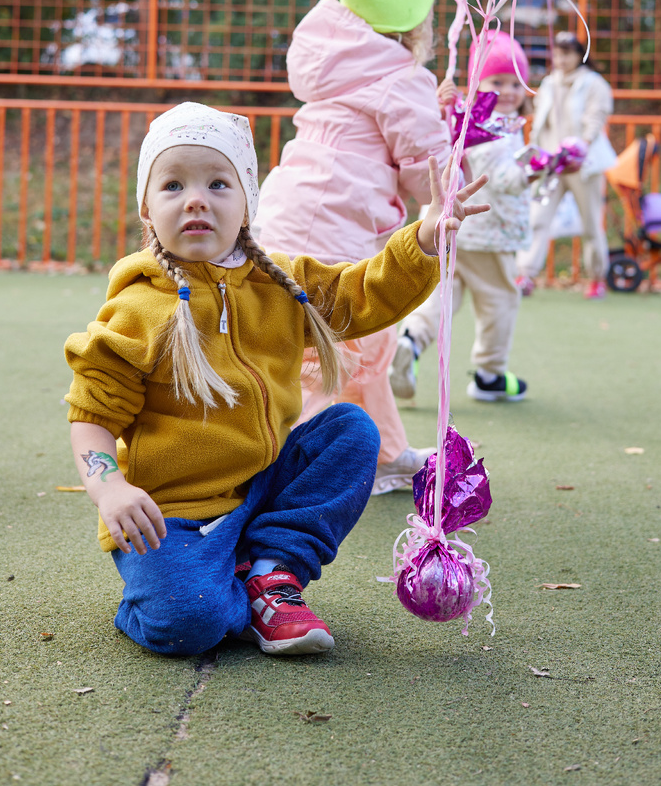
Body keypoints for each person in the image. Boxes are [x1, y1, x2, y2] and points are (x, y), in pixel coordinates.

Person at [65, 102, 487, 659]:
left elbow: (362, 294)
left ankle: (269, 570)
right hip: (174, 513)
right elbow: (93, 416)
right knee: (190, 625)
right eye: (173, 185)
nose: (196, 198)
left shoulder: (282, 284)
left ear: (247, 205)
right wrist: (109, 487)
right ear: (148, 209)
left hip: (264, 485)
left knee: (351, 431)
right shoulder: (137, 311)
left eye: (218, 183)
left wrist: (424, 241)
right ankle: (201, 596)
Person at [254, 0, 453, 495]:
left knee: (334, 339)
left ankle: (384, 451)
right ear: (410, 27)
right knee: (342, 343)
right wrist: (451, 150)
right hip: (340, 226)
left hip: (292, 212)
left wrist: (430, 106)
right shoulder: (400, 78)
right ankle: (298, 467)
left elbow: (382, 122)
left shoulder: (340, 63)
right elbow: (427, 174)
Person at [389, 30, 533, 403]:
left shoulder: (464, 120)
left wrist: (444, 109)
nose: (509, 91)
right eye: (497, 82)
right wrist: (535, 169)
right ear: (478, 85)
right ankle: (490, 373)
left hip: (449, 229)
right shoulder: (492, 128)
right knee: (499, 298)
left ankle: (412, 340)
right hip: (488, 233)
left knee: (440, 295)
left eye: (516, 82)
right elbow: (500, 177)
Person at [516, 30, 616, 300]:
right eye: (557, 54)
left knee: (591, 223)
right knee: (538, 218)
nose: (560, 59)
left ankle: (596, 278)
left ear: (578, 55)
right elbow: (539, 122)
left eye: (566, 54)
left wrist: (583, 143)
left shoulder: (594, 83)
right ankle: (525, 274)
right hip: (551, 163)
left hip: (583, 165)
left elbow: (596, 117)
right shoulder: (549, 83)